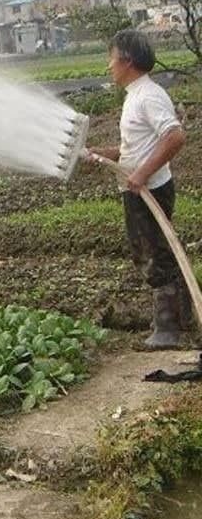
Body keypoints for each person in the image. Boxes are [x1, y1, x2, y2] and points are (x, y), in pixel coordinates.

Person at [87, 29, 188, 349]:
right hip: (139, 188)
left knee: (154, 256)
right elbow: (137, 146)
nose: (109, 67)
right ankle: (181, 320)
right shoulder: (136, 95)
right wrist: (108, 154)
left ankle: (168, 330)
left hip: (150, 192)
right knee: (154, 252)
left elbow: (174, 136)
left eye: (111, 59)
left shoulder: (149, 95)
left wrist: (142, 174)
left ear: (127, 61)